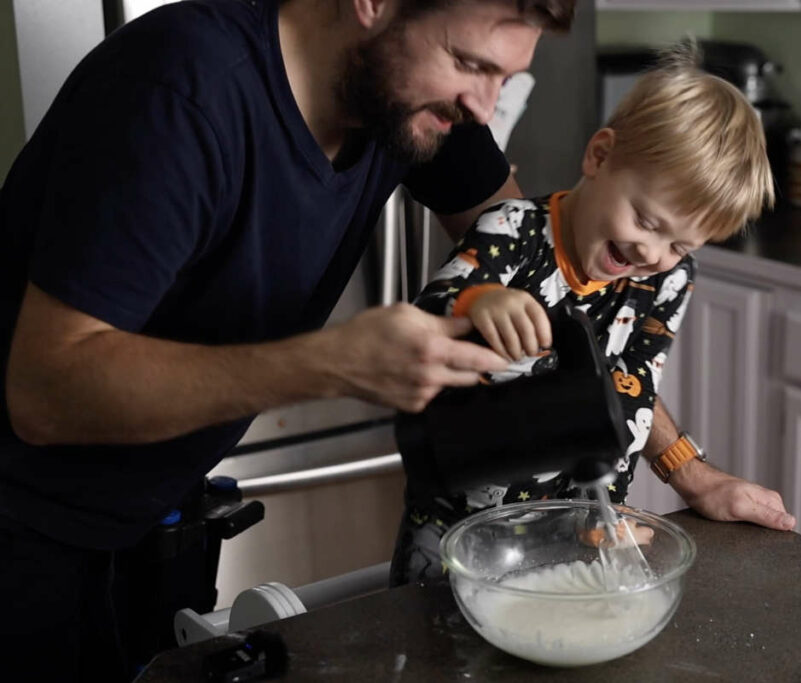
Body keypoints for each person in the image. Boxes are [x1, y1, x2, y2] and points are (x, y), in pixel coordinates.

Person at [0, 0, 575, 679]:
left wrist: (679, 459)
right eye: (470, 64)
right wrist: (327, 363)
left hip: (154, 513)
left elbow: (524, 252)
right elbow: (44, 394)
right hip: (21, 526)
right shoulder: (181, 89)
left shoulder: (411, 99)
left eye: (505, 77)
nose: (484, 105)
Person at [390, 43, 797, 585]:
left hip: (575, 531)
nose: (652, 255)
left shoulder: (668, 278)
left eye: (681, 245)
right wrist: (480, 301)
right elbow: (429, 316)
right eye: (648, 222)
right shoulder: (513, 232)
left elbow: (634, 386)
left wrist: (601, 509)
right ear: (599, 156)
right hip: (455, 529)